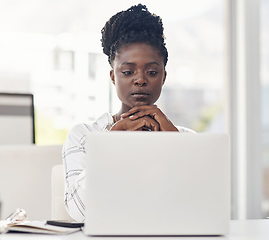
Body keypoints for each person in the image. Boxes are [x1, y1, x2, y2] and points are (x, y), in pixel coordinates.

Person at [62, 4, 195, 222]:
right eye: (127, 71)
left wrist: (174, 142)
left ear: (163, 77)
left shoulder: (186, 139)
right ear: (113, 76)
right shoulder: (84, 136)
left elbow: (199, 206)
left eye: (152, 72)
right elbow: (80, 212)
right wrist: (111, 143)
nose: (140, 79)